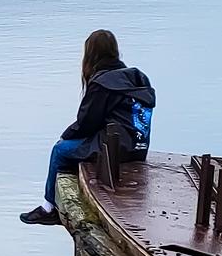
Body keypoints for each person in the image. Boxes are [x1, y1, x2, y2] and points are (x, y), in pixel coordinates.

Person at [20, 29, 155, 226]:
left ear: (91, 54)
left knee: (60, 150)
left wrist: (66, 136)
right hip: (138, 148)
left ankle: (49, 208)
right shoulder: (138, 78)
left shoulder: (103, 83)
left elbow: (87, 123)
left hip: (114, 150)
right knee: (74, 147)